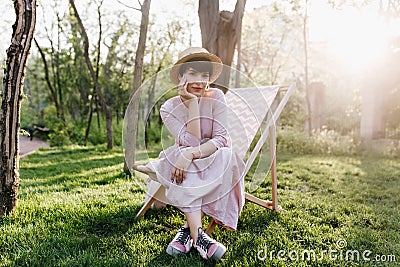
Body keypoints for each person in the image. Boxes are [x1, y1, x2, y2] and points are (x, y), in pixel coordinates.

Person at [135, 47, 245, 261]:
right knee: (179, 155)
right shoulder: (168, 107)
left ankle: (186, 231)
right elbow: (191, 141)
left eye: (204, 75)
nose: (200, 80)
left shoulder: (217, 96)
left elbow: (221, 139)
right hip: (193, 160)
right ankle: (200, 238)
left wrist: (189, 155)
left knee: (224, 154)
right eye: (193, 73)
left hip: (214, 158)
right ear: (181, 77)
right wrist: (193, 104)